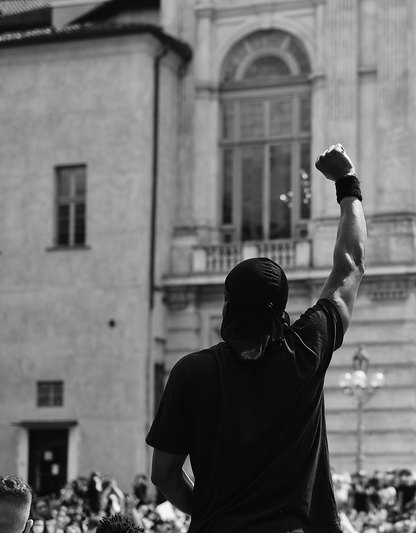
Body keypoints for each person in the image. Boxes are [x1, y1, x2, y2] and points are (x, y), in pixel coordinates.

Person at [146, 143, 367, 533]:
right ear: (280, 311)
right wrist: (347, 184)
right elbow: (350, 266)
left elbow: (164, 474)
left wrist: (215, 511)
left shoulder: (190, 373)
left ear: (227, 307)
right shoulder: (307, 349)